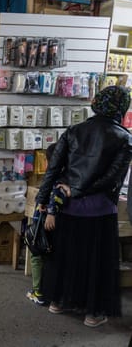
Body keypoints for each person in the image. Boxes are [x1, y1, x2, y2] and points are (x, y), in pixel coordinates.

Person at [36, 86, 132, 328]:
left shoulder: (74, 130)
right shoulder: (124, 138)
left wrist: (42, 201)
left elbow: (53, 169)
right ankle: (93, 313)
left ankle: (58, 302)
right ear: (121, 107)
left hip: (67, 207)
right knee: (96, 263)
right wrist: (80, 190)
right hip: (100, 211)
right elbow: (111, 178)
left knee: (66, 256)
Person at [27, 143, 67, 306]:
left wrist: (50, 211)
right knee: (53, 257)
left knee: (37, 254)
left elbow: (53, 196)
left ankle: (39, 292)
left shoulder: (53, 177)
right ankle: (54, 293)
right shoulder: (70, 176)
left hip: (44, 222)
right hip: (60, 223)